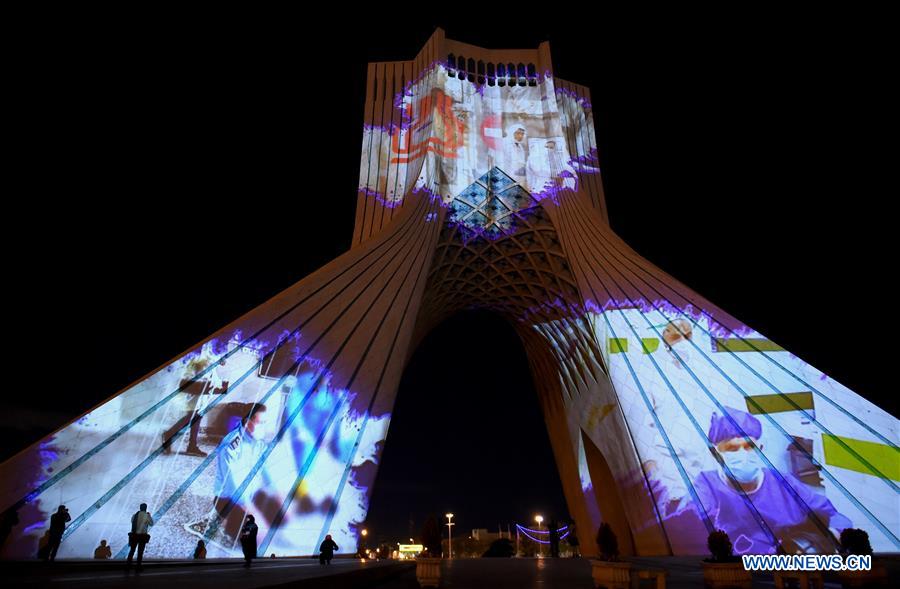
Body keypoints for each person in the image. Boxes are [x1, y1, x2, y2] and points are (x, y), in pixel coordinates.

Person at [686, 407, 852, 554]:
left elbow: (832, 514)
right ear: (716, 454)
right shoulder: (707, 486)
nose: (743, 454)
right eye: (732, 448)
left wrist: (830, 538)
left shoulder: (781, 481)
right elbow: (696, 533)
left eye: (750, 446)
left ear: (761, 449)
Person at [162, 357, 229, 457]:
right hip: (196, 385)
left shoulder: (208, 355)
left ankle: (191, 445)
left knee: (196, 416)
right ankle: (170, 434)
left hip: (198, 385)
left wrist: (219, 362)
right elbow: (201, 367)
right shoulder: (204, 355)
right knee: (194, 415)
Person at [127, 503, 154, 569]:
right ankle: (138, 567)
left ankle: (128, 566)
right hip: (142, 536)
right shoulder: (146, 516)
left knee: (132, 551)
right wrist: (149, 516)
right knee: (140, 552)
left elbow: (132, 521)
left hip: (134, 535)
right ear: (146, 508)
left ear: (140, 508)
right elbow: (151, 524)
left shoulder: (134, 515)